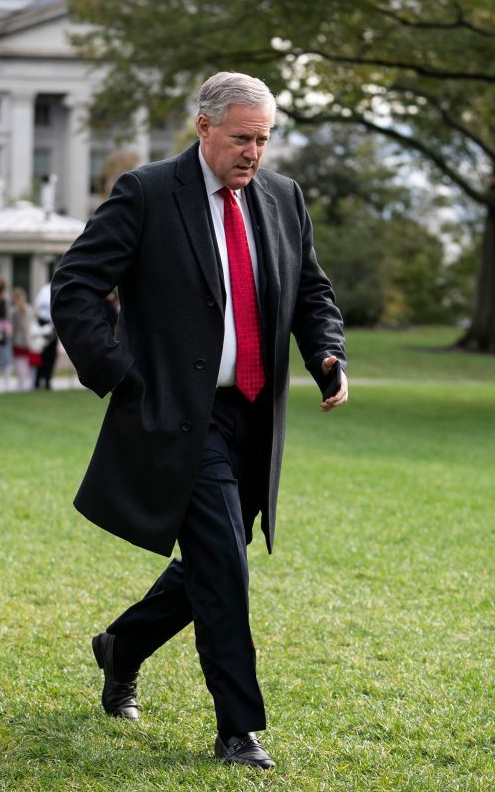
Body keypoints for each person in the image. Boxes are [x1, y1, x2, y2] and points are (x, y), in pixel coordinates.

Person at [51, 71, 347, 771]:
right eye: (243, 137)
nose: (255, 153)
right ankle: (237, 727)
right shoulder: (148, 192)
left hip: (256, 416)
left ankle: (121, 645)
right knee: (224, 567)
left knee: (219, 560)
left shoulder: (282, 197)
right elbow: (76, 284)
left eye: (265, 139)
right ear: (204, 127)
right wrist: (121, 375)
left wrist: (327, 354)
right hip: (183, 417)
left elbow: (311, 290)